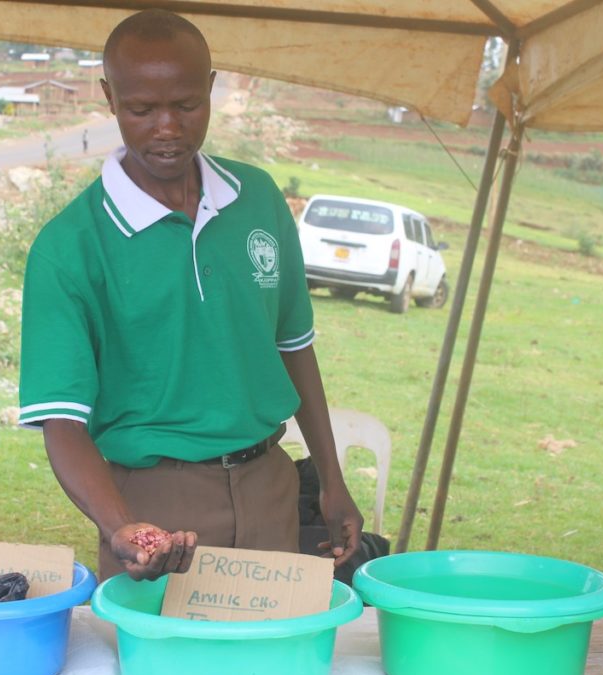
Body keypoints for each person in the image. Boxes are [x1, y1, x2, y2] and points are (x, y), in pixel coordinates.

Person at [18, 9, 363, 582]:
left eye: (185, 104)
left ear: (211, 87)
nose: (167, 128)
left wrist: (331, 481)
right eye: (141, 109)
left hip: (269, 488)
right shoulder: (68, 248)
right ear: (109, 98)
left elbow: (293, 348)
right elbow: (63, 424)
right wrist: (119, 525)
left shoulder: (258, 200)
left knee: (266, 666)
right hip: (156, 510)